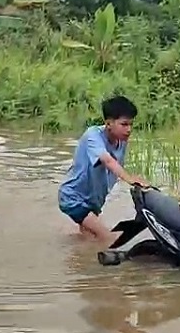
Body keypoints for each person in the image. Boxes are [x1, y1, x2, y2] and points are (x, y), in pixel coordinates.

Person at [58, 95, 148, 245]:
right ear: (108, 124)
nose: (129, 130)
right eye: (124, 124)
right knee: (108, 238)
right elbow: (107, 161)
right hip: (73, 199)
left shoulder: (121, 142)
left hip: (93, 202)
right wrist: (130, 179)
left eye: (131, 124)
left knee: (88, 242)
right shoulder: (93, 136)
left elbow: (113, 171)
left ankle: (77, 264)